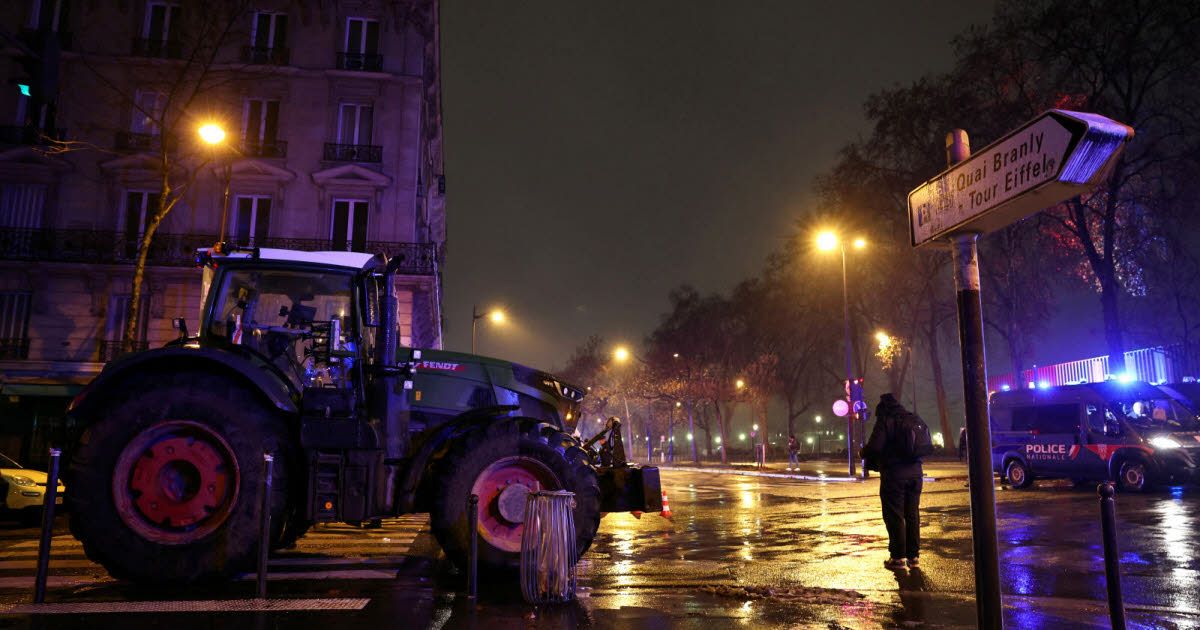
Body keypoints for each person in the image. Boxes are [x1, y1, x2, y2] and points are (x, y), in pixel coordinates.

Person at [864, 393, 926, 570]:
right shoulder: (911, 418)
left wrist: (863, 453)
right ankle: (913, 557)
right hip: (915, 474)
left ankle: (898, 557)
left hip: (894, 474)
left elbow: (875, 446)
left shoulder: (886, 419)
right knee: (912, 514)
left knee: (894, 515)